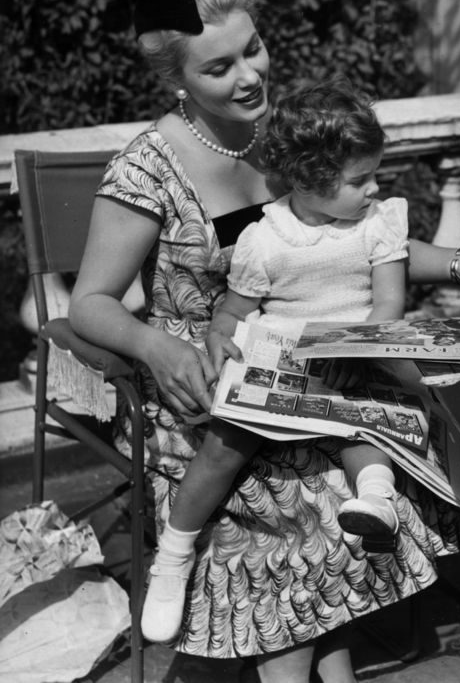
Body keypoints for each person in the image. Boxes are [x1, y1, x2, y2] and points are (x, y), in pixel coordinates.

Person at [68, 0, 460, 683]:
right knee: (311, 503)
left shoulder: (279, 135)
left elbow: (362, 237)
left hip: (312, 366)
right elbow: (88, 302)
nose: (250, 75)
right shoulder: (147, 170)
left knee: (374, 458)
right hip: (205, 388)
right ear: (177, 82)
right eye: (220, 67)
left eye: (254, 48)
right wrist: (155, 347)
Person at [140, 76, 410, 644]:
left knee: (364, 431)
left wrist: (349, 349)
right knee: (223, 445)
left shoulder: (377, 224)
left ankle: (376, 504)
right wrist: (220, 336)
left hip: (356, 354)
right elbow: (233, 310)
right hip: (281, 363)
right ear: (311, 181)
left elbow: (388, 303)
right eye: (360, 179)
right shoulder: (266, 240)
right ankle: (173, 553)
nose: (374, 188)